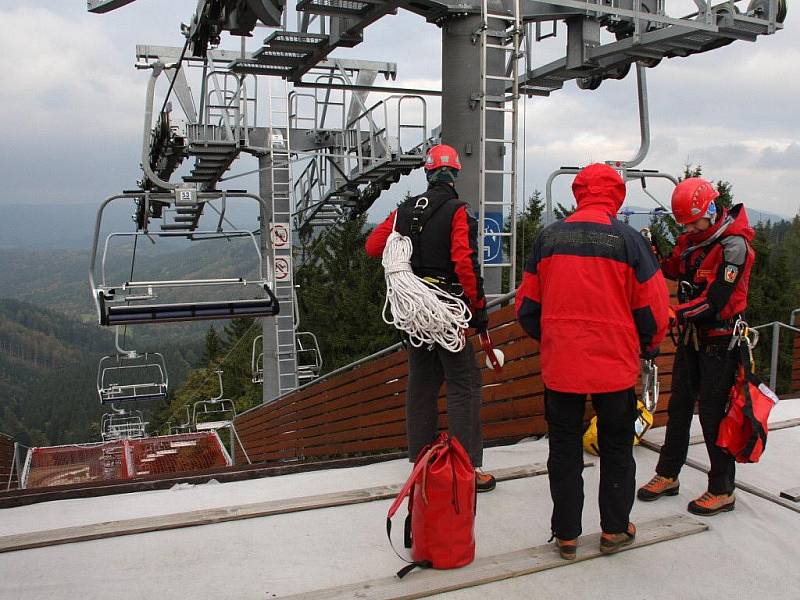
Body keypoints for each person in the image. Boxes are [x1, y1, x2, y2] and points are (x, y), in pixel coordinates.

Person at [516, 163, 669, 559]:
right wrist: (648, 346)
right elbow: (653, 307)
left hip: (562, 365)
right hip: (614, 367)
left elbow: (527, 308)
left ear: (579, 192)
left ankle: (566, 534)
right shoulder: (629, 241)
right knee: (617, 447)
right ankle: (615, 530)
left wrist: (554, 339)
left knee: (564, 447)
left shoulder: (548, 239)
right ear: (616, 196)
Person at [365, 144, 495, 493]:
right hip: (446, 311)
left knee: (422, 384)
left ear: (427, 172)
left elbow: (374, 246)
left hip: (415, 313)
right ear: (455, 173)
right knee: (463, 383)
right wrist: (479, 308)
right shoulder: (456, 211)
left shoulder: (405, 211)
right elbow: (464, 263)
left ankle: (421, 461)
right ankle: (466, 466)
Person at [638, 177, 755, 516]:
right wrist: (656, 258)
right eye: (684, 223)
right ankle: (668, 473)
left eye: (693, 221)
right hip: (694, 337)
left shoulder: (734, 246)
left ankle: (722, 489)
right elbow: (676, 270)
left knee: (712, 415)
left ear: (710, 210)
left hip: (721, 339)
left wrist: (675, 312)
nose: (688, 227)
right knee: (679, 408)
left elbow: (717, 300)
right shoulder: (694, 240)